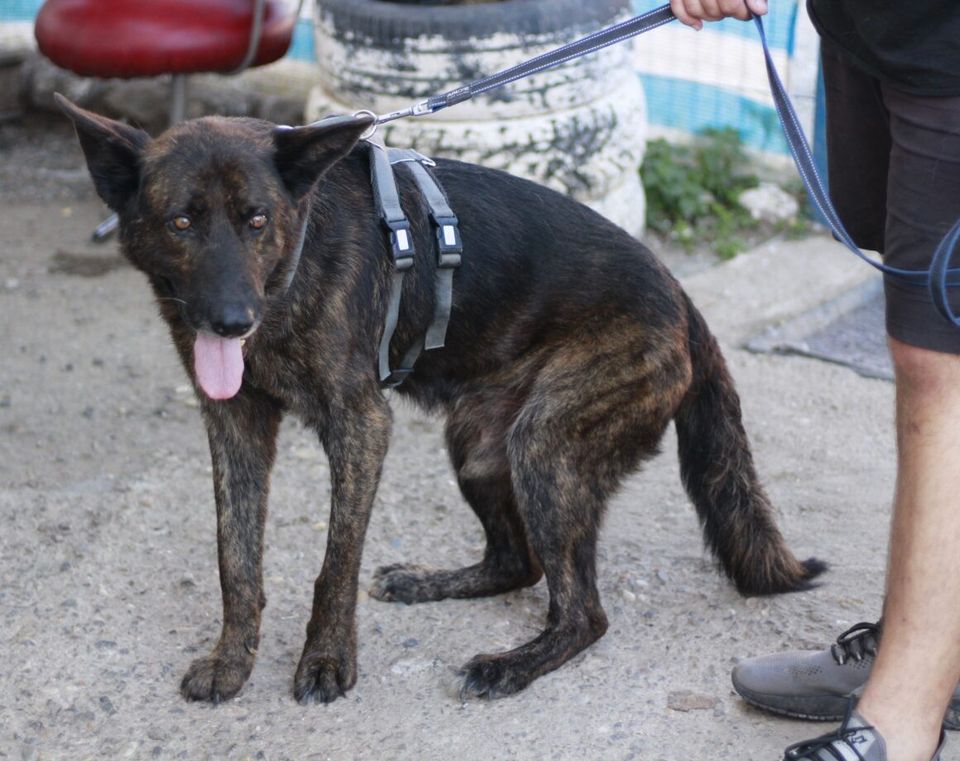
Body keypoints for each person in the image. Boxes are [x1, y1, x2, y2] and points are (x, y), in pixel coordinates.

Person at [667, 0, 960, 759]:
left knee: (938, 357)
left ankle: (902, 714)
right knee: (905, 287)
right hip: (873, 27)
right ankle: (934, 641)